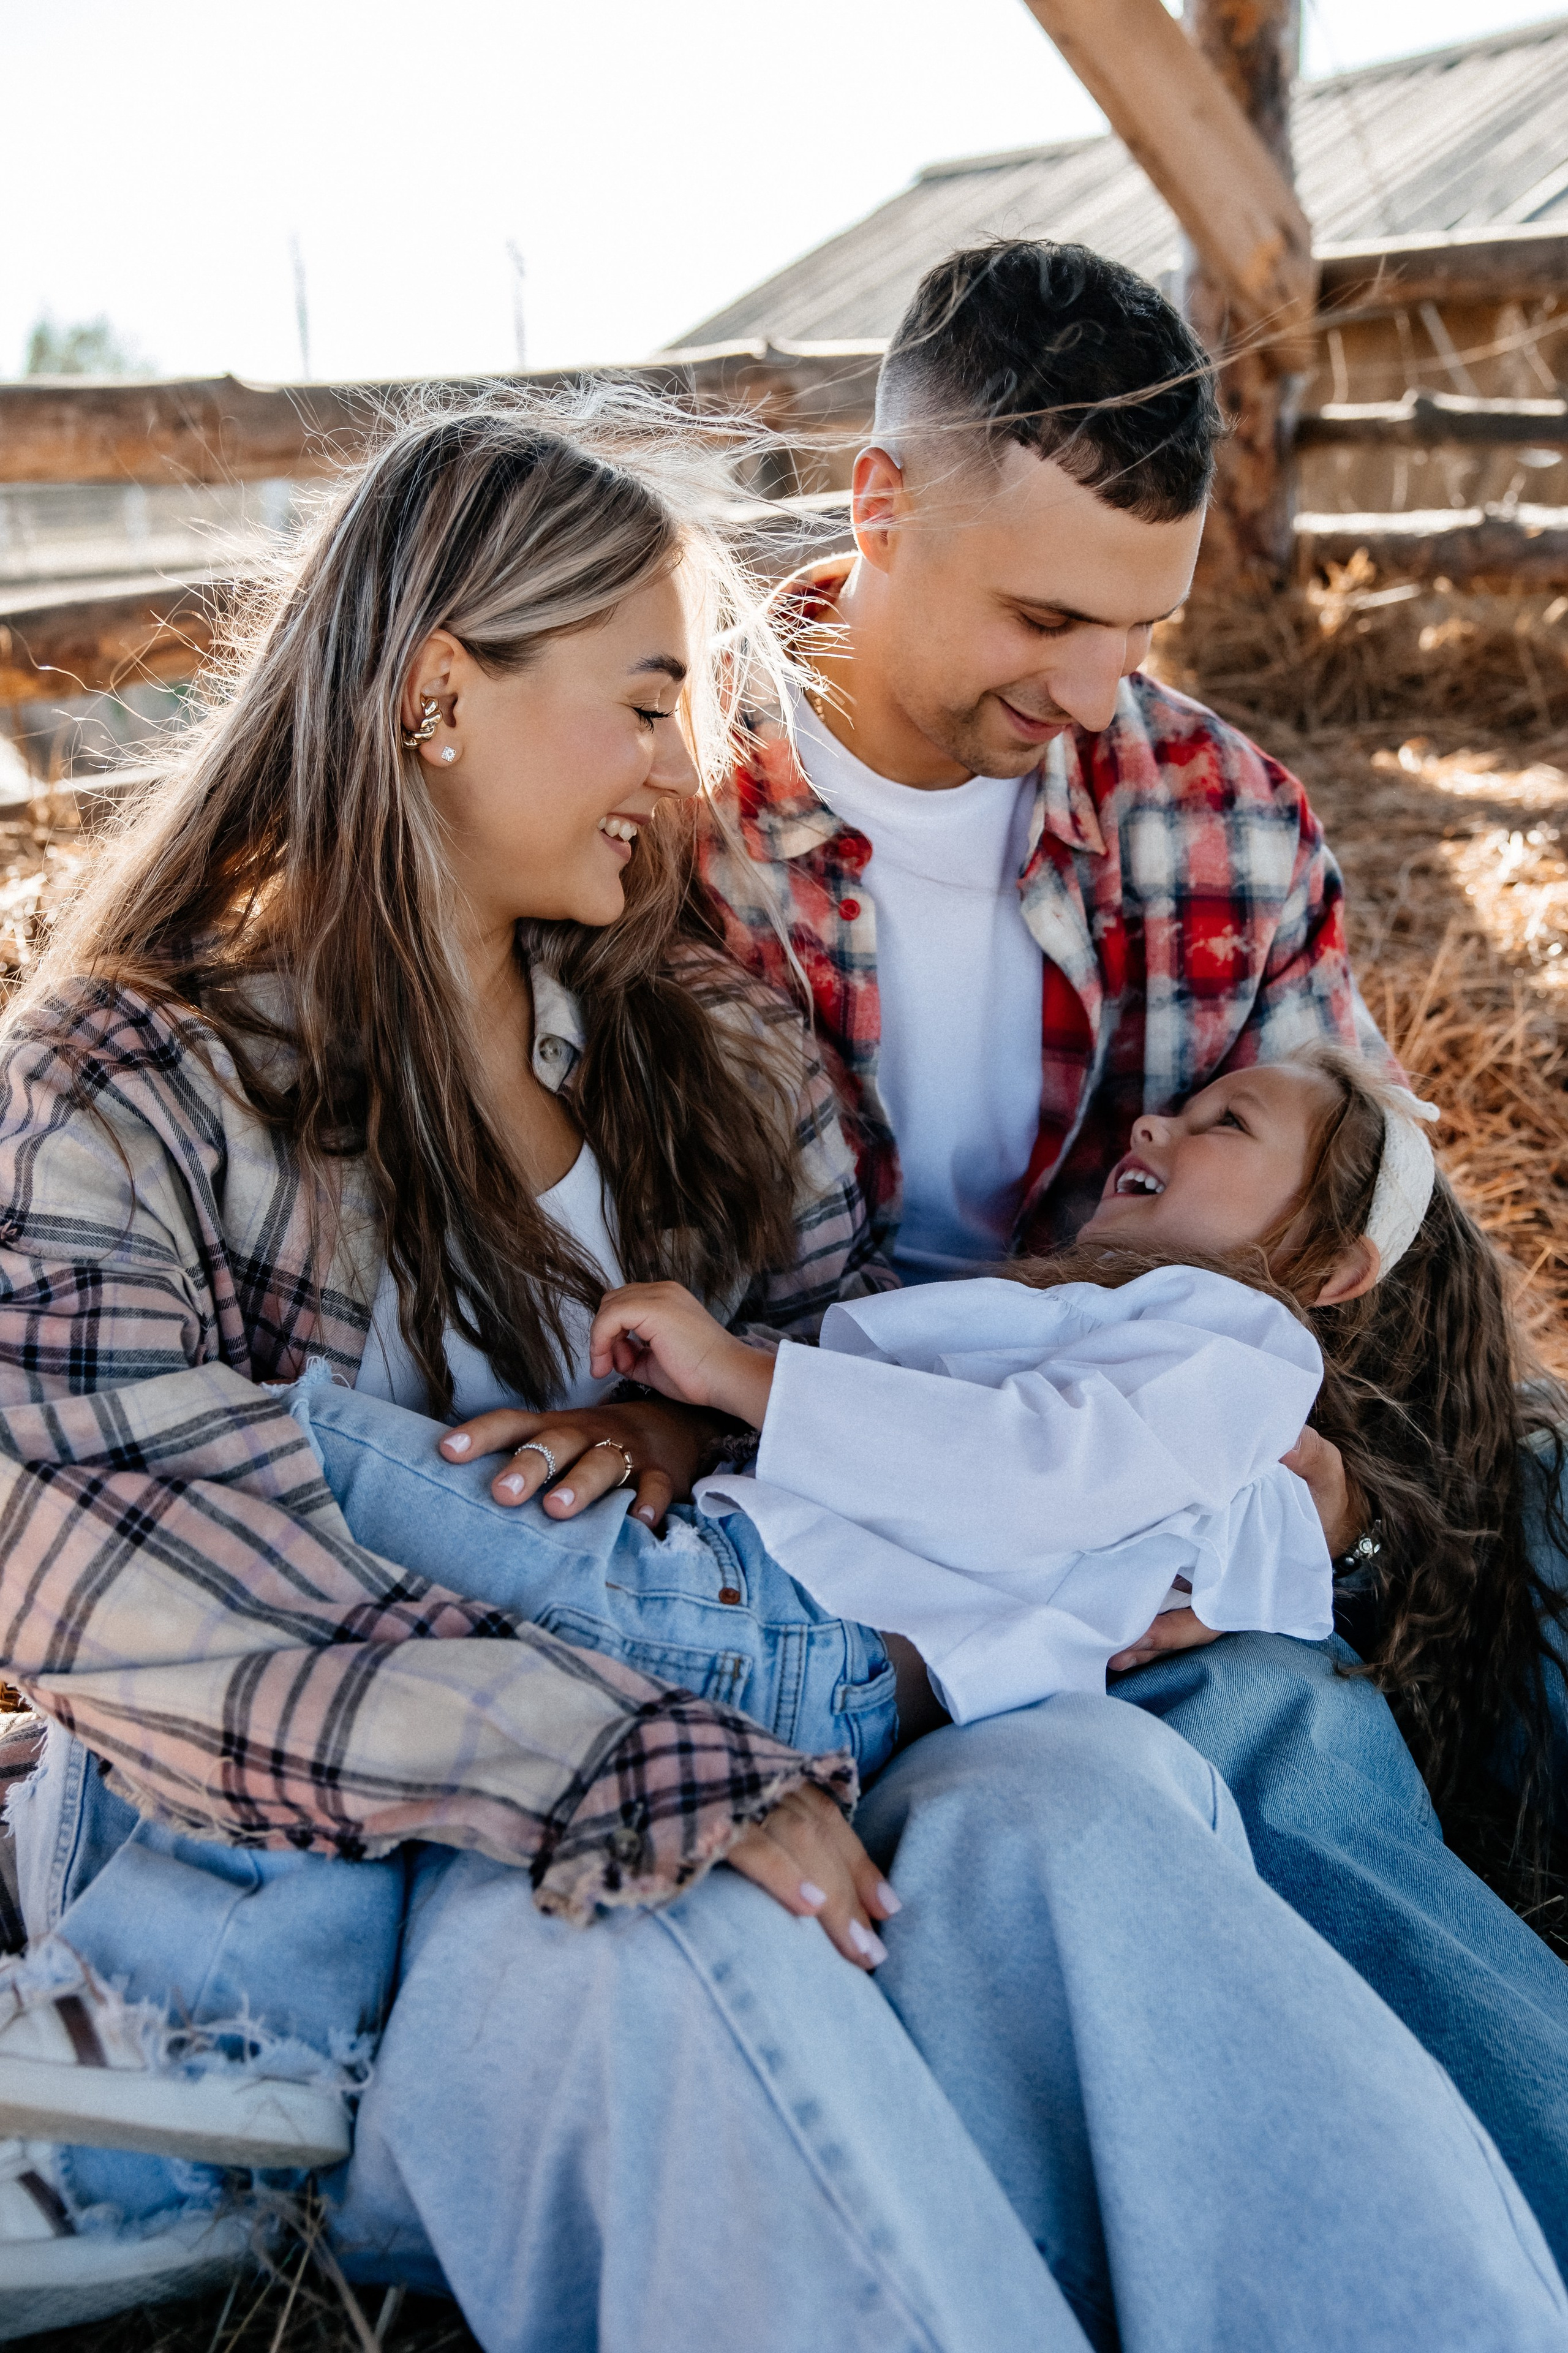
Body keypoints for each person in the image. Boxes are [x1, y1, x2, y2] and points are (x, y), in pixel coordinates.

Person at [0, 392, 1565, 2353]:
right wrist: (622, 1765)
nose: (690, 766)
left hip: (764, 1723)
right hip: (339, 1854)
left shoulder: (715, 1059)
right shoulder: (124, 1083)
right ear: (432, 698)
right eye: (647, 703)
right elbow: (94, 1549)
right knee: (679, 1928)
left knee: (1090, 1789)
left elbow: (836, 1405)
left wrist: (1086, 1532)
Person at [692, 235, 1568, 2266]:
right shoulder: (674, 823)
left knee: (1290, 1721)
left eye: (1144, 625)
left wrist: (1327, 1493)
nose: (1095, 692)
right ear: (879, 507)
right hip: (841, 1565)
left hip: (1157, 1553)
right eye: (1046, 613)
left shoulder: (1222, 814)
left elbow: (1344, 1236)